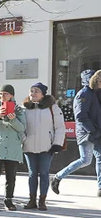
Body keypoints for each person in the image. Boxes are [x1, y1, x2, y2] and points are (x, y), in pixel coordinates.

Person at [52, 69, 101, 197]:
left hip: (95, 132)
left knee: (100, 158)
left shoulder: (96, 93)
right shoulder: (84, 94)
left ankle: (100, 187)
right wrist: (93, 131)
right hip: (87, 133)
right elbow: (80, 116)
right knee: (85, 160)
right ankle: (57, 177)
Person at [22, 81, 66, 210]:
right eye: (31, 90)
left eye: (36, 91)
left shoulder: (52, 108)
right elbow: (20, 127)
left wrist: (57, 143)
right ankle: (31, 200)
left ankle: (42, 200)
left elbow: (59, 127)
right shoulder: (24, 108)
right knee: (32, 173)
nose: (33, 93)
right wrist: (23, 140)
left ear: (43, 95)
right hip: (29, 146)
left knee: (44, 173)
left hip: (47, 147)